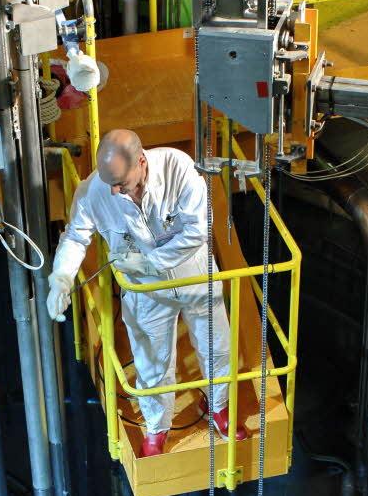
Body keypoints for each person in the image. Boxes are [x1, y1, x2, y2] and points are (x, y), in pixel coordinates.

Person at [47, 128, 239, 457]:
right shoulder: (95, 191)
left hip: (193, 272)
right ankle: (157, 427)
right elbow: (76, 237)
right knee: (152, 361)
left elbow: (197, 229)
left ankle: (219, 406)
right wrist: (61, 277)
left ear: (141, 162)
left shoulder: (177, 167)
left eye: (121, 182)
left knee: (216, 344)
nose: (115, 190)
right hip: (144, 288)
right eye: (109, 183)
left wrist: (152, 262)